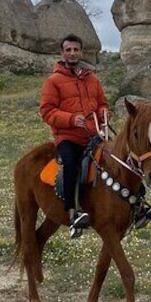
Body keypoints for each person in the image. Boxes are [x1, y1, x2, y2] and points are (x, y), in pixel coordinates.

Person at [40, 34, 109, 239]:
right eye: (68, 50)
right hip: (68, 137)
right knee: (71, 165)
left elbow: (102, 103)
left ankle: (136, 206)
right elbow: (47, 111)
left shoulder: (92, 79)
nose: (72, 53)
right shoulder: (53, 81)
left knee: (118, 158)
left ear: (81, 52)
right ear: (62, 53)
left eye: (75, 50)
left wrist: (104, 116)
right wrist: (71, 120)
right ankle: (73, 214)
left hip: (93, 136)